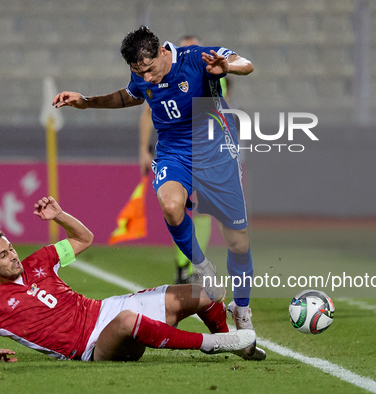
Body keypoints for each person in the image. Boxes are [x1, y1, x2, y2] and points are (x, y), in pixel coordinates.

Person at [53, 26, 265, 360]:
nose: (147, 78)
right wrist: (87, 102)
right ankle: (202, 266)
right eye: (140, 72)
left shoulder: (195, 59)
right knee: (170, 205)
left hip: (215, 153)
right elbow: (128, 95)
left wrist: (229, 68)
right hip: (174, 153)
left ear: (163, 53)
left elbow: (245, 63)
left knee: (238, 243)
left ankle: (242, 309)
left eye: (151, 69)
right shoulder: (143, 75)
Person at [0, 196, 255, 362]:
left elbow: (84, 238)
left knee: (202, 293)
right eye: (3, 256)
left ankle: (236, 342)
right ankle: (212, 343)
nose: (13, 256)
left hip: (105, 309)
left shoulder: (38, 261)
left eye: (11, 249)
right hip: (92, 346)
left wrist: (59, 216)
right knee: (128, 320)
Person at [138, 34, 220, 285]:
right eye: (184, 49)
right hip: (178, 152)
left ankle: (193, 268)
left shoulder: (207, 73)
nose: (188, 53)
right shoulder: (163, 78)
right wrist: (143, 148)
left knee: (205, 210)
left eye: (193, 48)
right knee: (176, 206)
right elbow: (147, 112)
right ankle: (184, 264)